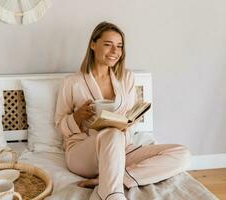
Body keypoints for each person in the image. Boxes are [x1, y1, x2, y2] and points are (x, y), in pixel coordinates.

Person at [54, 21, 190, 200]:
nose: (114, 51)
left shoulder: (127, 78)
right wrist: (76, 118)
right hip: (83, 152)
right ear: (93, 45)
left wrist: (129, 121)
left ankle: (109, 179)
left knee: (182, 155)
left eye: (119, 46)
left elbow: (128, 117)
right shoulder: (72, 82)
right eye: (108, 45)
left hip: (122, 149)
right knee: (112, 133)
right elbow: (59, 126)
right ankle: (111, 194)